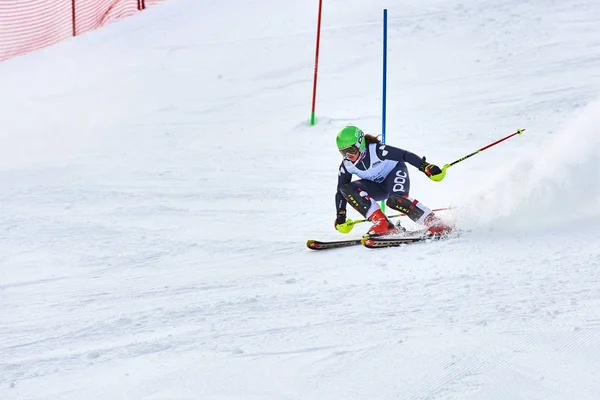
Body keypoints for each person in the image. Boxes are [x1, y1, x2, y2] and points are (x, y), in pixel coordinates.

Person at [334, 125, 452, 237]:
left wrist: (425, 167)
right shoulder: (347, 165)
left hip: (394, 173)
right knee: (346, 188)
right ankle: (384, 224)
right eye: (343, 152)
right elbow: (341, 192)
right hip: (377, 186)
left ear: (360, 144)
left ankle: (434, 222)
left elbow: (405, 155)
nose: (348, 155)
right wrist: (340, 216)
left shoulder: (377, 151)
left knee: (395, 200)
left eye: (351, 150)